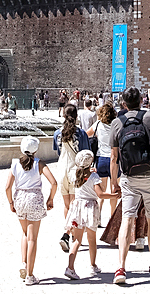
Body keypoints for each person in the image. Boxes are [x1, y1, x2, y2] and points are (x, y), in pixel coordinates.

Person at [109, 88, 150, 285]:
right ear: (141, 100)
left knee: (127, 219)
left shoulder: (117, 123)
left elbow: (114, 157)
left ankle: (121, 267)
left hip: (129, 176)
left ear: (124, 103)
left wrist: (113, 182)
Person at [4, 135, 58, 286]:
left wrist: (11, 202)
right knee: (33, 238)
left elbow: (7, 187)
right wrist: (50, 198)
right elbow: (54, 183)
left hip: (20, 198)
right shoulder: (39, 164)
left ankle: (23, 263)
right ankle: (30, 275)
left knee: (25, 233)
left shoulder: (15, 164)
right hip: (34, 198)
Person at [63, 150, 116, 280]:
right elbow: (100, 194)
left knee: (77, 240)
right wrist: (114, 195)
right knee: (92, 239)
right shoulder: (94, 177)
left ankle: (70, 267)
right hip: (90, 208)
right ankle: (93, 265)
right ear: (90, 162)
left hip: (77, 207)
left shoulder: (74, 174)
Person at [54, 103, 90, 252]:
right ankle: (70, 234)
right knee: (76, 205)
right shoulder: (81, 133)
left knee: (67, 205)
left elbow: (57, 151)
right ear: (76, 116)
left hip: (62, 169)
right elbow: (85, 154)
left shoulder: (57, 133)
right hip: (75, 171)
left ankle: (70, 233)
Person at [87, 102, 117, 224]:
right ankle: (112, 217)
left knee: (102, 191)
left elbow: (87, 133)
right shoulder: (116, 124)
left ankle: (98, 218)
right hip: (114, 158)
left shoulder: (98, 124)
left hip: (101, 159)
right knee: (114, 189)